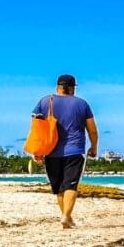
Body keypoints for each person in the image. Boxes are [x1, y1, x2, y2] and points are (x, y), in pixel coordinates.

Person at [32, 74, 98, 228]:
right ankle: (66, 216)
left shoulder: (44, 101)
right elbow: (92, 130)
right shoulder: (82, 104)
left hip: (51, 151)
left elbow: (36, 129)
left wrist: (37, 150)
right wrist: (94, 146)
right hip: (75, 151)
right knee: (70, 185)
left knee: (60, 187)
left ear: (58, 87)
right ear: (71, 87)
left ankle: (66, 217)